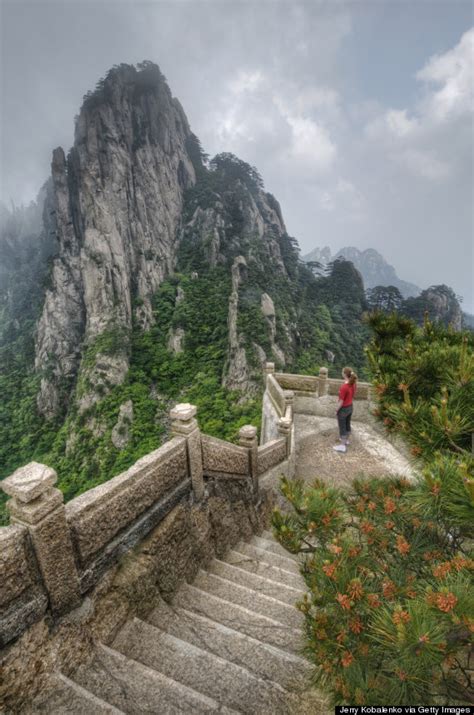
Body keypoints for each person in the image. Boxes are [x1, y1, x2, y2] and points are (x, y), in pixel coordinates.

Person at [333, 367, 357, 453]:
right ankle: (346, 440)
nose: (341, 373)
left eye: (342, 372)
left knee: (342, 426)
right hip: (350, 407)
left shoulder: (344, 387)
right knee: (347, 424)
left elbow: (341, 402)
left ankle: (342, 446)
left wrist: (336, 410)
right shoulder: (353, 384)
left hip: (343, 409)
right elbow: (354, 393)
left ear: (344, 374)